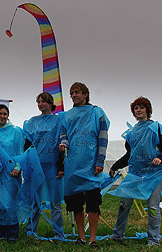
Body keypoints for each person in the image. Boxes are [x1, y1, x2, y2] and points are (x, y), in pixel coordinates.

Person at [59, 82, 109, 248]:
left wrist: (100, 161)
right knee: (76, 204)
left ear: (85, 94)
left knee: (93, 203)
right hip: (73, 164)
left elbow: (103, 137)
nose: (74, 95)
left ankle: (92, 238)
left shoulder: (96, 112)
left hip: (91, 164)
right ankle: (81, 237)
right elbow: (63, 134)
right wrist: (64, 143)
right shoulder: (66, 115)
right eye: (72, 92)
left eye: (77, 92)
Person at [109, 97, 162, 246]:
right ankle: (117, 236)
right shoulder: (131, 133)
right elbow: (129, 155)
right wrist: (114, 166)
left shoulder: (156, 128)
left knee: (152, 207)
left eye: (141, 107)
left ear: (148, 110)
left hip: (153, 175)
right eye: (136, 108)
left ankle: (153, 240)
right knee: (123, 205)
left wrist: (160, 158)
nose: (138, 110)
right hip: (135, 174)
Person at [23, 93, 65, 240]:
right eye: (38, 102)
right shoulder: (32, 122)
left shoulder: (58, 120)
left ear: (50, 103)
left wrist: (61, 167)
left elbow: (61, 144)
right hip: (36, 166)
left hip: (52, 166)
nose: (40, 104)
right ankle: (31, 231)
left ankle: (59, 234)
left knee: (55, 202)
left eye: (43, 101)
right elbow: (27, 145)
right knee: (35, 200)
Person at [0, 104, 25, 241]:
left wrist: (18, 168)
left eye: (5, 114)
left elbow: (21, 151)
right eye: (0, 114)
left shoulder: (16, 132)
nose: (2, 116)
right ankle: (2, 233)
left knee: (10, 203)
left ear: (8, 116)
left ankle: (13, 232)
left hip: (11, 173)